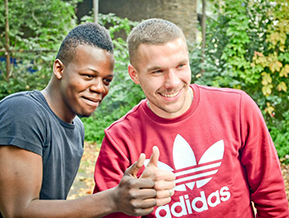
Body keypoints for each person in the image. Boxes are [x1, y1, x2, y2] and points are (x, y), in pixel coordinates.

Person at [93, 18, 289, 218]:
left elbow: (271, 197)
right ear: (134, 74)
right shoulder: (119, 140)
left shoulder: (237, 108)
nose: (172, 82)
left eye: (180, 66)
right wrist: (133, 200)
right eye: (157, 71)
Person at [0, 22, 175, 218]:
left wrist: (135, 194)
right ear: (59, 69)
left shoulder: (77, 129)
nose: (99, 88)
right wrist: (114, 199)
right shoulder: (23, 111)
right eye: (89, 76)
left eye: (106, 80)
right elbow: (17, 211)